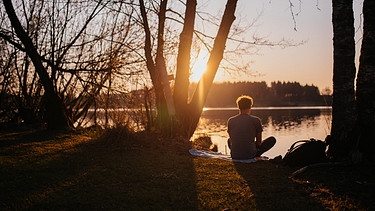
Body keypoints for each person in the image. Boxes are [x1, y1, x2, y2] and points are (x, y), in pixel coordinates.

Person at [227, 95, 276, 160]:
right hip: (250, 155)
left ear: (238, 106)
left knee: (229, 140)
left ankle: (239, 152)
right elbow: (259, 143)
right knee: (272, 140)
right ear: (250, 106)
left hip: (235, 155)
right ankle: (253, 154)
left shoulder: (231, 120)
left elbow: (231, 140)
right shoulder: (256, 120)